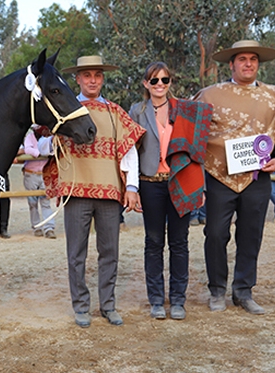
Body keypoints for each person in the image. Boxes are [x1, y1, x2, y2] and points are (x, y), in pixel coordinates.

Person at [194, 40, 275, 315]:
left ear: (258, 64)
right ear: (232, 64)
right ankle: (217, 290)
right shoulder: (210, 95)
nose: (248, 63)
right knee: (215, 234)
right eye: (242, 59)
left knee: (250, 235)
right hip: (219, 177)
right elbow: (193, 131)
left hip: (257, 179)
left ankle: (243, 291)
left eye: (253, 59)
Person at [44, 55, 145, 327]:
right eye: (86, 75)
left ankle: (108, 305)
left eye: (97, 75)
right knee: (76, 253)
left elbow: (129, 151)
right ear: (77, 79)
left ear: (102, 79)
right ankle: (81, 307)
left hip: (111, 193)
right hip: (77, 192)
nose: (92, 80)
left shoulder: (115, 112)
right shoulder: (64, 109)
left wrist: (132, 187)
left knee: (109, 251)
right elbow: (47, 145)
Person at [129, 62, 211, 320]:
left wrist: (201, 185)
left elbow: (198, 149)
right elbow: (131, 151)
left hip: (180, 181)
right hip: (150, 183)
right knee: (153, 242)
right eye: (154, 81)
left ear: (170, 82)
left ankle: (177, 300)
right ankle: (156, 300)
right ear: (146, 84)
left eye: (165, 80)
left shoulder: (185, 110)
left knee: (179, 242)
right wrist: (132, 187)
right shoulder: (136, 111)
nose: (160, 85)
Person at [21, 125, 56, 238]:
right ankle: (36, 226)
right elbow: (27, 149)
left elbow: (52, 149)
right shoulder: (29, 137)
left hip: (44, 174)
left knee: (45, 202)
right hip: (31, 174)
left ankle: (49, 228)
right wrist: (40, 153)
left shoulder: (48, 138)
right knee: (32, 203)